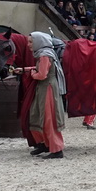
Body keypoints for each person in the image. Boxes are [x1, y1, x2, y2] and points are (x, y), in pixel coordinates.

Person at [21, 31, 66, 159]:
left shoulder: (45, 55)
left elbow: (41, 74)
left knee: (48, 118)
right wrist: (27, 70)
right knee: (37, 115)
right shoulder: (43, 54)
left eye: (31, 42)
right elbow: (40, 69)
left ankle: (56, 148)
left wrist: (31, 74)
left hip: (47, 88)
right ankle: (44, 144)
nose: (29, 45)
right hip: (43, 88)